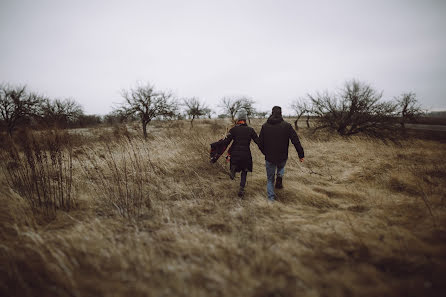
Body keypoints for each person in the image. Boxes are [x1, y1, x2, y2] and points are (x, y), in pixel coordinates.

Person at [258, 106, 304, 201]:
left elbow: (260, 143)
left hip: (269, 157)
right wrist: (301, 154)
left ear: (272, 113)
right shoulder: (287, 126)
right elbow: (295, 141)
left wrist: (265, 153)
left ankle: (271, 200)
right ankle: (279, 175)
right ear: (281, 113)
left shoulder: (265, 126)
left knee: (270, 180)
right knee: (281, 167)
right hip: (282, 156)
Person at [222, 109, 260, 198]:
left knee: (235, 165)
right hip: (246, 154)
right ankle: (241, 189)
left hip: (235, 154)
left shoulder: (233, 130)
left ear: (238, 118)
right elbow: (258, 142)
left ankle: (233, 169)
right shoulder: (250, 130)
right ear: (246, 119)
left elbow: (226, 142)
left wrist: (217, 145)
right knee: (244, 172)